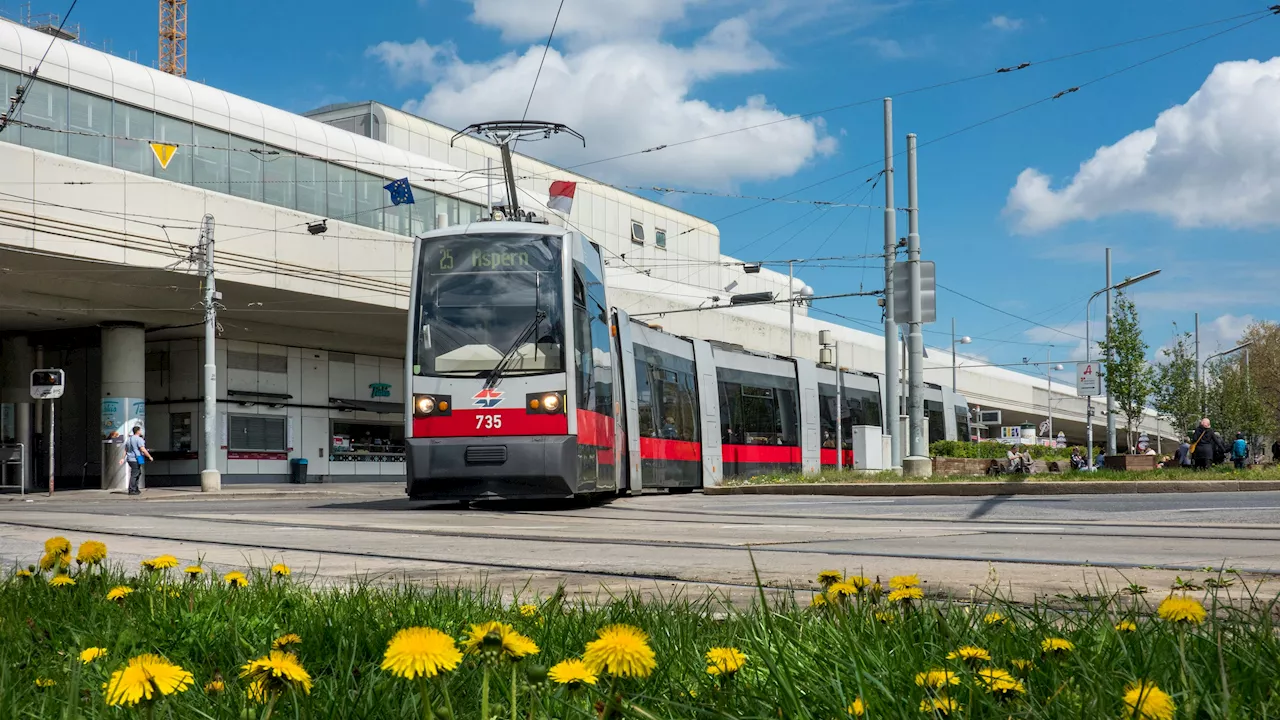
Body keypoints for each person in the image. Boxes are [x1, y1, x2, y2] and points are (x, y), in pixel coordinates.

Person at [123, 425, 153, 496]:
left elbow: (126, 449)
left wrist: (122, 458)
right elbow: (142, 449)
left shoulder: (129, 439)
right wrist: (149, 456)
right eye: (140, 430)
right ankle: (132, 489)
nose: (141, 431)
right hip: (137, 458)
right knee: (135, 474)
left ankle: (135, 488)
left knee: (138, 472)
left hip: (130, 458)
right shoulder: (139, 439)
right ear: (138, 431)